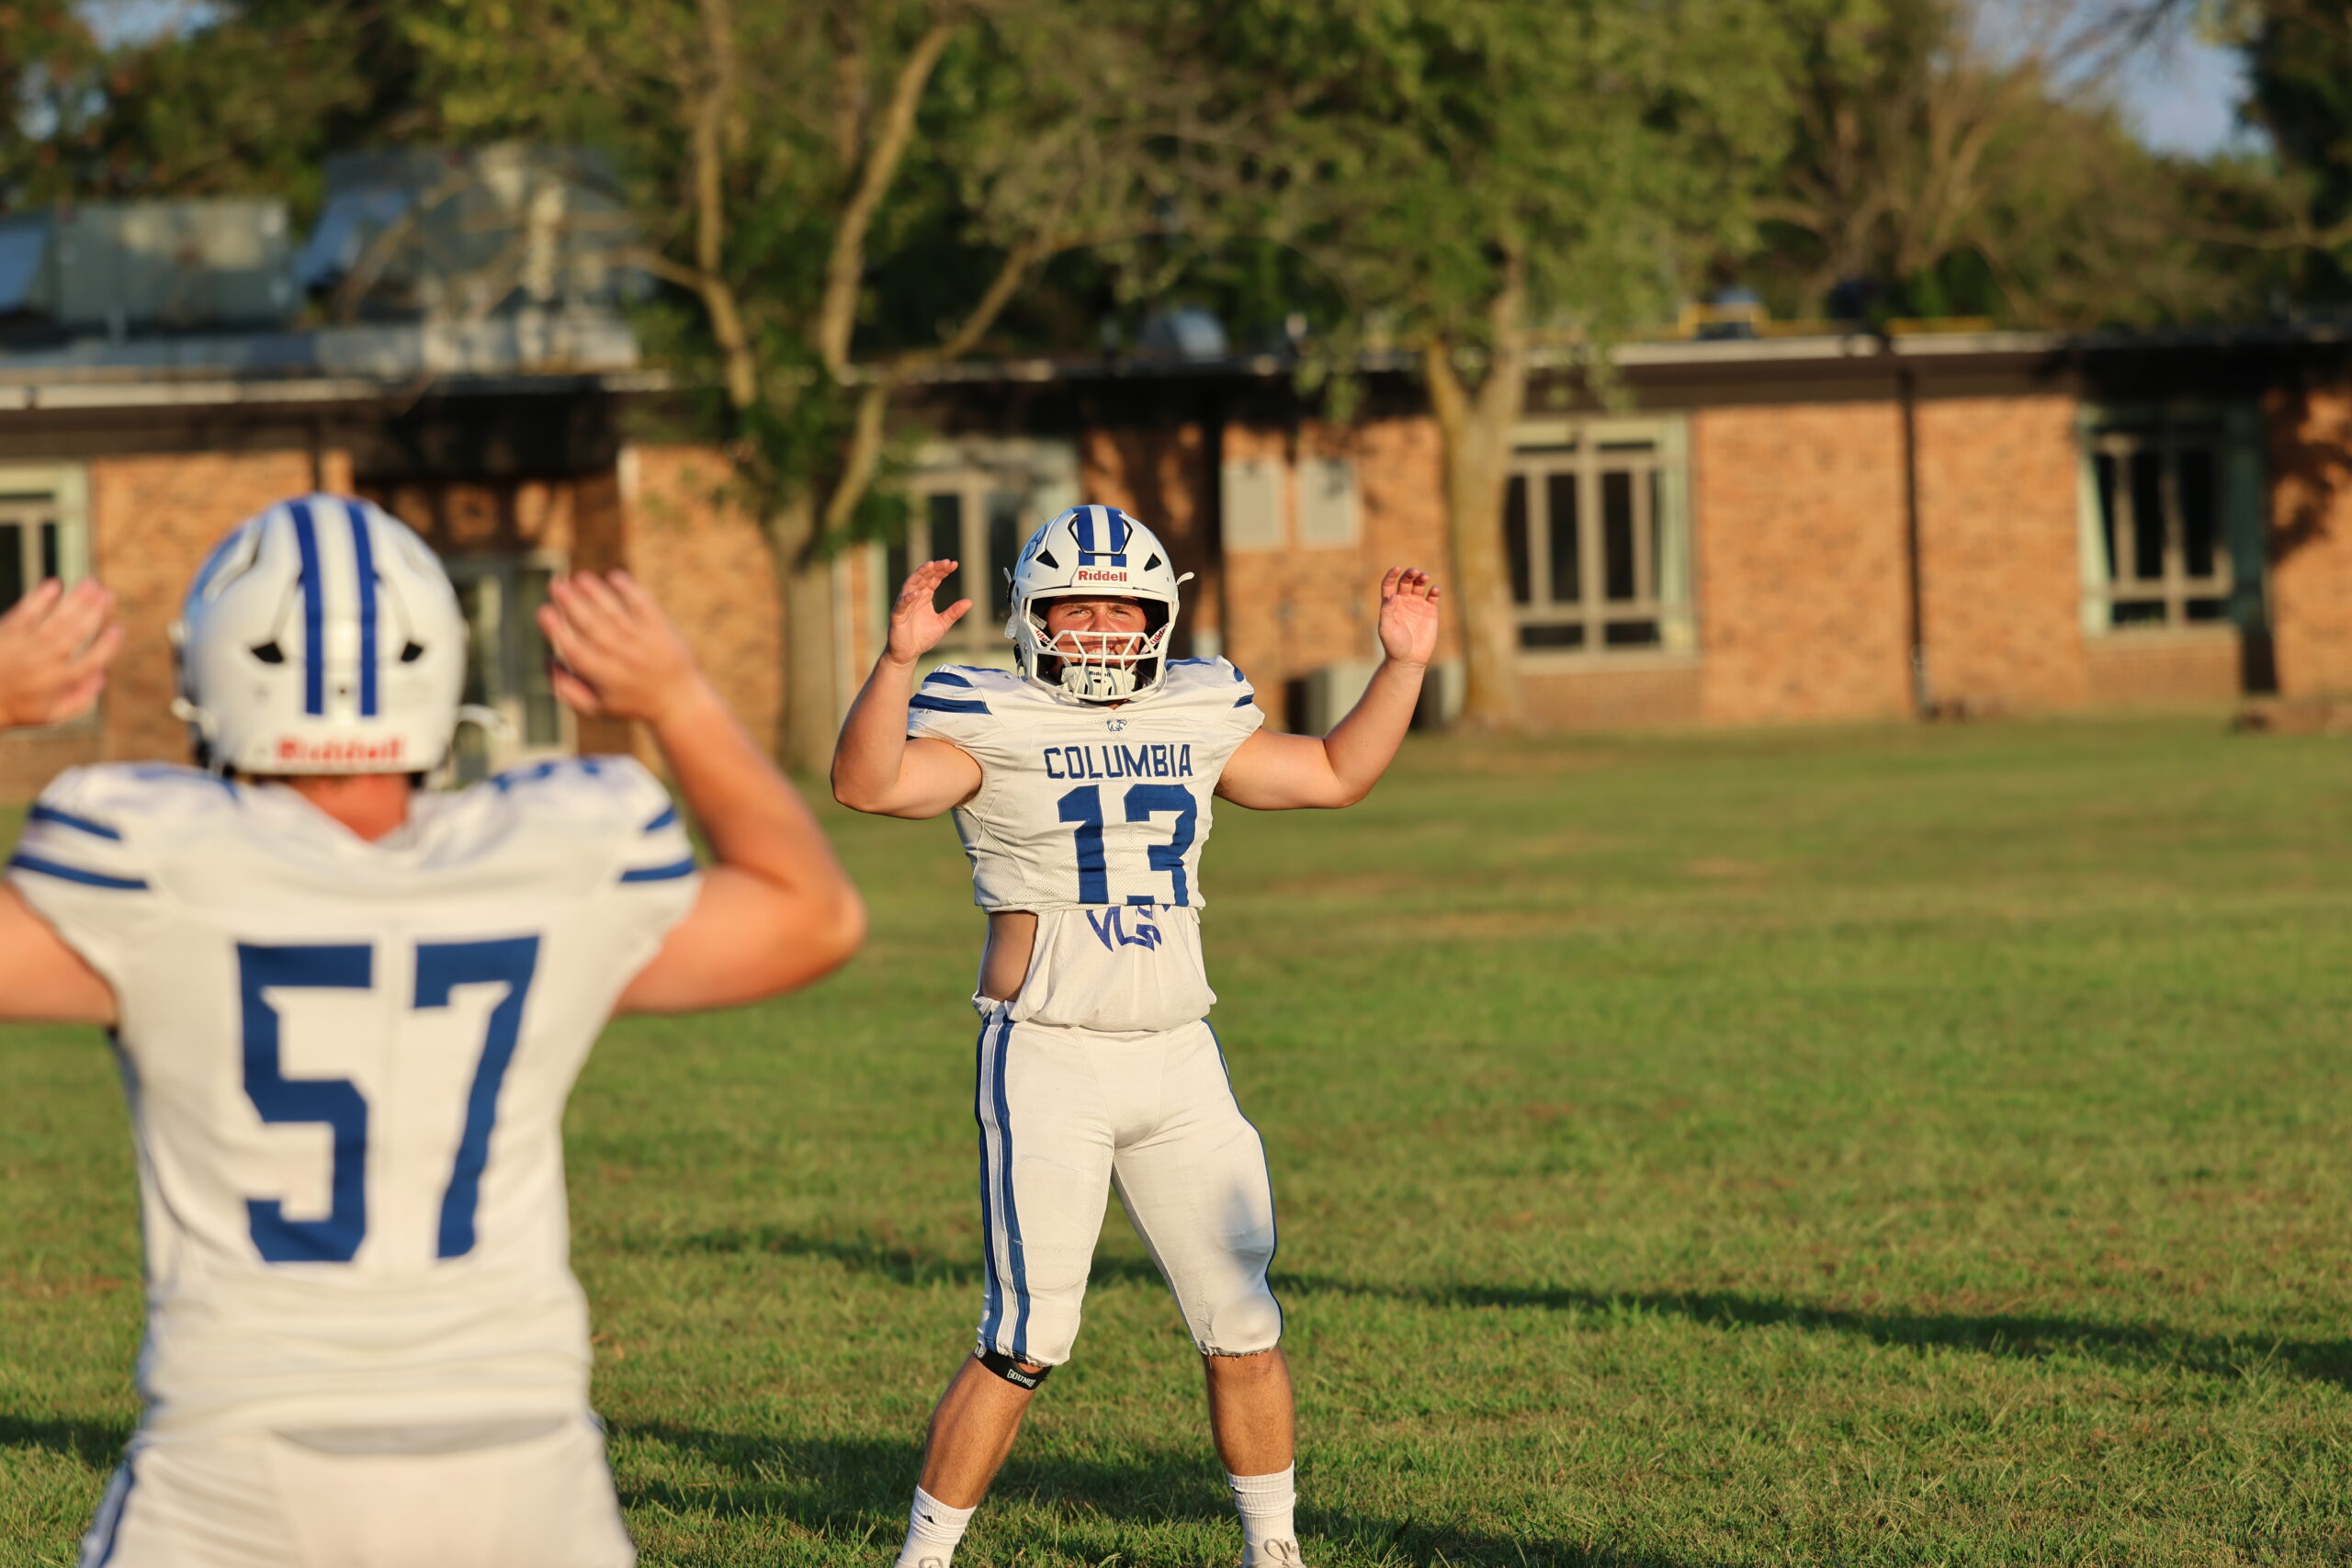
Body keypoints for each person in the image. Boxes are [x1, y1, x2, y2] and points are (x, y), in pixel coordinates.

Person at [0, 494, 865, 1568]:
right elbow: (811, 915)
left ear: (206, 676)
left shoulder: (153, 869)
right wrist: (678, 699)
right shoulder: (553, 862)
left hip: (240, 1465)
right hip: (521, 1469)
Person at [831, 502, 1441, 1568]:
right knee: (1026, 1337)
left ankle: (1274, 1551)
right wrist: (894, 664)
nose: (1103, 630)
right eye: (1078, 608)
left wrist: (1402, 667)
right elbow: (867, 785)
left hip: (1178, 1052)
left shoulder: (1199, 705)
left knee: (1242, 1321)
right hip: (1049, 1049)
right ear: (1033, 617)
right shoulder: (990, 711)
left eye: (1124, 609)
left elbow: (1335, 774)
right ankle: (923, 1559)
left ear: (1160, 618)